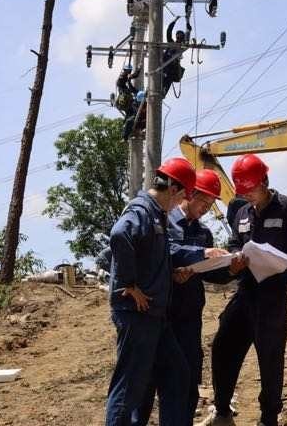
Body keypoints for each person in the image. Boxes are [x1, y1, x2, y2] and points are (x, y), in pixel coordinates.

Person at [197, 154, 287, 426]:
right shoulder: (241, 212)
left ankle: (269, 417)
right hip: (246, 293)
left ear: (264, 181)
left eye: (251, 189)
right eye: (243, 191)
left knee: (270, 358)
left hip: (273, 297)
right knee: (223, 346)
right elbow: (233, 243)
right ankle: (223, 410)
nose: (247, 195)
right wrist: (234, 257)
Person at [133, 170, 237, 426]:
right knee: (145, 383)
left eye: (211, 204)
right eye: (203, 201)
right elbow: (161, 253)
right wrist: (186, 262)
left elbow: (210, 274)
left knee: (188, 382)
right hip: (160, 313)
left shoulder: (203, 233)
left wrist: (232, 269)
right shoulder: (162, 222)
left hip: (189, 317)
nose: (205, 208)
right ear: (188, 194)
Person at [105, 157, 198, 426]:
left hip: (155, 316)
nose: (179, 204)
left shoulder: (156, 215)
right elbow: (119, 235)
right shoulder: (141, 210)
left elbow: (162, 252)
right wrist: (129, 285)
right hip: (137, 315)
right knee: (128, 388)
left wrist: (201, 253)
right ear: (174, 190)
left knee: (177, 373)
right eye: (181, 198)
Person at [161, 18, 187, 96]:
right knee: (164, 78)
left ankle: (163, 92)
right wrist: (174, 21)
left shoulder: (182, 47)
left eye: (180, 36)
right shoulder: (171, 43)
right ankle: (160, 91)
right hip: (165, 65)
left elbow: (169, 32)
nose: (179, 37)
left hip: (171, 68)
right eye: (178, 35)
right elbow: (169, 31)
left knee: (169, 78)